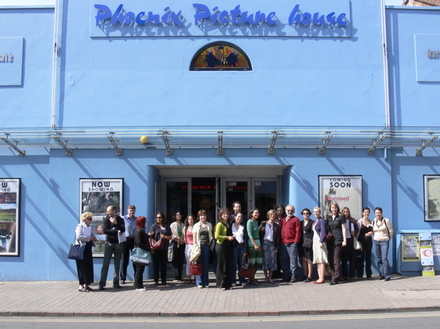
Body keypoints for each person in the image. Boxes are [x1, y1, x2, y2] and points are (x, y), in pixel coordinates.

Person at [99, 205, 126, 290]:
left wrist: (116, 224)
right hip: (109, 243)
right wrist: (115, 230)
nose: (108, 213)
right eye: (107, 212)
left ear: (114, 211)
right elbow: (105, 230)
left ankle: (116, 282)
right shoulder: (106, 219)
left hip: (118, 244)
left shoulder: (120, 219)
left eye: (110, 211)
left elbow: (123, 229)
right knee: (105, 264)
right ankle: (102, 283)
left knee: (117, 264)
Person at [74, 212, 96, 292]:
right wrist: (89, 238)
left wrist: (94, 237)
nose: (91, 221)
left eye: (91, 219)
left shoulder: (89, 226)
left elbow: (92, 234)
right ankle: (81, 284)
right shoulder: (80, 226)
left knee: (88, 266)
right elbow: (79, 236)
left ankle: (87, 284)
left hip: (88, 248)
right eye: (89, 219)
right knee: (81, 267)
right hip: (81, 248)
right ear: (85, 219)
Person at [279, 204, 302, 283]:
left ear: (294, 211)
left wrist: (296, 241)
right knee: (284, 261)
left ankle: (293, 276)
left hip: (292, 243)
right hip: (283, 243)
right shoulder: (282, 220)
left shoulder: (296, 220)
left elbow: (298, 232)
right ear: (286, 211)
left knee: (293, 261)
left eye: (292, 210)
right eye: (288, 210)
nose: (290, 212)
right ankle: (286, 276)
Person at [327, 202, 347, 285]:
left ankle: (336, 278)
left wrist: (344, 240)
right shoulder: (328, 217)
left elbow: (344, 229)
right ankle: (333, 276)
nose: (334, 209)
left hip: (338, 239)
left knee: (336, 260)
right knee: (330, 259)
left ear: (337, 208)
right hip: (330, 240)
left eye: (335, 207)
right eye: (332, 208)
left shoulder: (341, 217)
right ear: (330, 208)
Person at [149, 212, 172, 286]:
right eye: (157, 217)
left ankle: (164, 280)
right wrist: (150, 246)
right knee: (156, 264)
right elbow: (150, 237)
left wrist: (164, 237)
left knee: (163, 265)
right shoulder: (153, 226)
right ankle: (156, 280)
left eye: (160, 217)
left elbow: (170, 236)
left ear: (163, 218)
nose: (158, 219)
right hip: (156, 248)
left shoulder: (166, 226)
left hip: (164, 248)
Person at [215, 208, 235, 290]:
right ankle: (221, 284)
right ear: (221, 215)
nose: (226, 215)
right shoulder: (219, 224)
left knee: (228, 265)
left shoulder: (229, 224)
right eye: (224, 214)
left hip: (228, 246)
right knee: (222, 265)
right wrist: (227, 237)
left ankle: (227, 284)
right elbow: (216, 236)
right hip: (221, 246)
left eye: (227, 214)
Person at [372, 207, 394, 281]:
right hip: (376, 241)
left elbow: (391, 230)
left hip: (384, 241)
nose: (377, 214)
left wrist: (389, 237)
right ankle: (381, 274)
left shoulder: (386, 220)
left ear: (381, 213)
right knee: (379, 259)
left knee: (384, 258)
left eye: (379, 212)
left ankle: (387, 275)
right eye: (376, 213)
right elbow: (373, 231)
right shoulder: (374, 221)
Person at [193, 210, 213, 288]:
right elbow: (194, 237)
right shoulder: (196, 225)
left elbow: (210, 235)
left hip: (206, 246)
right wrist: (195, 246)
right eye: (201, 215)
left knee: (205, 264)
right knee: (199, 264)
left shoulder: (209, 225)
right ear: (199, 217)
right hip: (199, 246)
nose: (202, 217)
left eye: (204, 215)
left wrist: (210, 242)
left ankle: (206, 282)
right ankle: (199, 282)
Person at [259, 209, 280, 284]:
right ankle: (266, 277)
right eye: (271, 214)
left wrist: (277, 247)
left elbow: (278, 237)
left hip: (272, 244)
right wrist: (261, 229)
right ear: (268, 215)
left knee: (272, 261)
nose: (272, 216)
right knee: (265, 260)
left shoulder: (276, 225)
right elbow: (259, 232)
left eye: (273, 215)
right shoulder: (264, 223)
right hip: (265, 243)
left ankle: (270, 277)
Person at [341, 207, 359, 282]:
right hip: (344, 241)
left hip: (351, 240)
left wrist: (354, 232)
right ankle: (344, 276)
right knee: (344, 259)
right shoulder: (340, 220)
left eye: (347, 212)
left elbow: (357, 230)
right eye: (344, 212)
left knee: (352, 259)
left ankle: (352, 276)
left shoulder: (352, 221)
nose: (346, 213)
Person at [120, 204, 137, 284]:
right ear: (128, 211)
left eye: (133, 211)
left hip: (134, 240)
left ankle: (136, 277)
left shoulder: (137, 219)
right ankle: (123, 278)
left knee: (135, 259)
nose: (132, 212)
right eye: (130, 211)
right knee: (124, 259)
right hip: (125, 240)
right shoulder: (123, 218)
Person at [312, 207, 328, 284]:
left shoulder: (322, 221)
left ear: (320, 212)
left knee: (321, 260)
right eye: (315, 212)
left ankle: (322, 278)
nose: (316, 213)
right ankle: (319, 277)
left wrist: (321, 241)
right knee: (318, 260)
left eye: (317, 212)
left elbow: (324, 232)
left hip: (320, 242)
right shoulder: (316, 221)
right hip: (315, 242)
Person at [247, 208, 262, 285]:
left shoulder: (256, 222)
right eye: (255, 213)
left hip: (258, 242)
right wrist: (255, 244)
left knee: (258, 261)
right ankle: (251, 278)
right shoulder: (249, 222)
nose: (257, 214)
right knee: (252, 262)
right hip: (252, 243)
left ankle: (252, 276)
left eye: (258, 213)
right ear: (251, 214)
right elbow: (249, 234)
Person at [357, 207, 373, 280]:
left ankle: (369, 275)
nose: (366, 213)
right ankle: (360, 275)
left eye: (368, 212)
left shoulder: (371, 221)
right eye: (365, 212)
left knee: (368, 258)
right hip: (361, 240)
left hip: (369, 241)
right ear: (362, 213)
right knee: (361, 257)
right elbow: (357, 232)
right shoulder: (359, 222)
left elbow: (374, 230)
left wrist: (371, 232)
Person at [134, 216, 149, 291]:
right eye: (145, 221)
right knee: (139, 269)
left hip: (140, 251)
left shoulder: (140, 230)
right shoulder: (139, 231)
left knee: (140, 269)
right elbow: (139, 243)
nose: (146, 223)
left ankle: (140, 285)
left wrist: (149, 236)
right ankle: (138, 286)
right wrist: (149, 249)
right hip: (140, 252)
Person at [230, 212, 246, 287]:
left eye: (241, 217)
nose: (240, 218)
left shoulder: (243, 226)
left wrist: (246, 249)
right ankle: (233, 281)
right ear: (235, 217)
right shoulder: (231, 226)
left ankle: (242, 280)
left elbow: (245, 238)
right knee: (233, 265)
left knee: (241, 264)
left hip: (241, 246)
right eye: (238, 217)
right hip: (234, 247)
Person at [170, 211, 186, 282]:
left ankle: (180, 276)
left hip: (182, 244)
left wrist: (183, 240)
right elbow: (170, 234)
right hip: (175, 243)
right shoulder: (172, 225)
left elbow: (185, 234)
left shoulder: (183, 225)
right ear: (175, 217)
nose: (179, 216)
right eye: (177, 215)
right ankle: (175, 277)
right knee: (175, 260)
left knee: (181, 260)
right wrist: (176, 237)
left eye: (180, 215)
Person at [300, 208, 314, 282]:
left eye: (307, 213)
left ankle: (310, 276)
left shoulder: (312, 222)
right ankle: (305, 275)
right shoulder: (300, 222)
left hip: (309, 243)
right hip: (302, 243)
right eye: (304, 213)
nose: (305, 215)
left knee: (309, 259)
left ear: (309, 214)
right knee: (303, 259)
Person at [184, 214, 196, 284]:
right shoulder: (185, 228)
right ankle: (189, 277)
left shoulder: (196, 227)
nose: (190, 220)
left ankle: (194, 277)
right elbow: (184, 238)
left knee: (194, 262)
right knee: (188, 262)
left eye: (191, 219)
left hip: (194, 246)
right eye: (189, 219)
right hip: (188, 246)